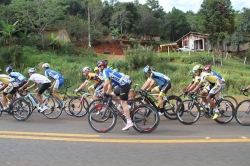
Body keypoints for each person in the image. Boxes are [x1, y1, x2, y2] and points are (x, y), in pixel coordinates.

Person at [97, 60, 133, 131]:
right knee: (112, 96)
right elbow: (110, 84)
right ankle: (127, 108)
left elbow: (106, 83)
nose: (98, 69)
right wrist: (107, 93)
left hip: (124, 85)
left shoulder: (105, 71)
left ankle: (129, 122)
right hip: (122, 85)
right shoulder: (108, 71)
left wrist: (104, 93)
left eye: (98, 67)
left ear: (101, 66)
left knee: (123, 103)